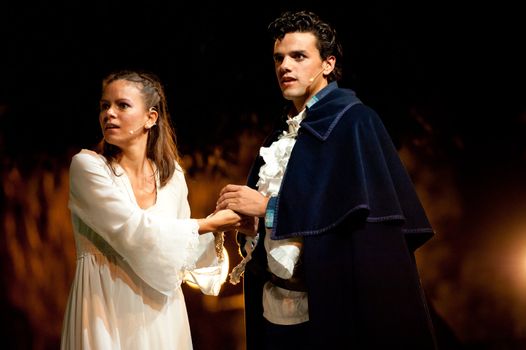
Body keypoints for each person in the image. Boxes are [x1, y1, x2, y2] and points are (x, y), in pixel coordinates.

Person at [216, 10, 438, 350]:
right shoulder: (279, 135)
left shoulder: (355, 123)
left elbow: (365, 231)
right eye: (279, 58)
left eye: (299, 56)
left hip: (332, 314)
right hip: (274, 310)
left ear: (327, 64)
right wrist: (253, 226)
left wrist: (268, 208)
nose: (284, 66)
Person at [60, 70, 251, 350]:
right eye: (104, 106)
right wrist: (209, 224)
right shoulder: (88, 167)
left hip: (162, 315)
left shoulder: (172, 176)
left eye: (122, 105)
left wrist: (226, 218)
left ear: (151, 117)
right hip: (104, 310)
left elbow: (179, 252)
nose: (109, 113)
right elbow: (133, 232)